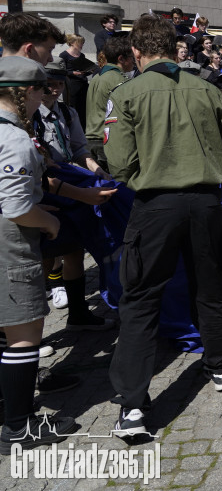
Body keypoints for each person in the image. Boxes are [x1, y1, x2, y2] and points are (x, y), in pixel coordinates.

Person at [105, 14, 222, 438]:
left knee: (142, 298)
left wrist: (150, 174)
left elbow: (119, 162)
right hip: (205, 201)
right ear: (174, 46)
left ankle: (132, 405)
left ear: (138, 53)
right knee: (210, 284)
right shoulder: (207, 88)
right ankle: (220, 368)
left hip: (156, 204)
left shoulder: (126, 93)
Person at [0, 56, 79, 454]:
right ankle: (17, 426)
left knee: (4, 330)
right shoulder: (13, 137)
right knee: (23, 335)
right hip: (10, 241)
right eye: (41, 90)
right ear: (25, 91)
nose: (44, 97)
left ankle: (6, 407)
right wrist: (46, 222)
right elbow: (14, 207)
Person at [34, 61, 116, 328]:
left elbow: (80, 151)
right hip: (45, 191)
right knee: (44, 255)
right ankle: (29, 327)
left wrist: (97, 170)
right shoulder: (29, 117)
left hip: (71, 189)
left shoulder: (68, 113)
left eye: (60, 85)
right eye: (50, 85)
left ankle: (78, 313)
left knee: (74, 251)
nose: (56, 90)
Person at [84, 35, 135, 169]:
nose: (134, 62)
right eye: (131, 58)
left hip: (91, 137)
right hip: (106, 140)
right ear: (121, 59)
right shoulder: (119, 80)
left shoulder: (98, 76)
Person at [58, 34, 95, 129]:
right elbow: (61, 71)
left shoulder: (81, 55)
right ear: (71, 43)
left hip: (83, 84)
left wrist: (89, 71)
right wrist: (73, 73)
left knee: (84, 107)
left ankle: (83, 128)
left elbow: (84, 69)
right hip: (71, 85)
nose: (82, 45)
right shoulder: (64, 55)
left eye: (83, 42)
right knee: (73, 107)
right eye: (80, 42)